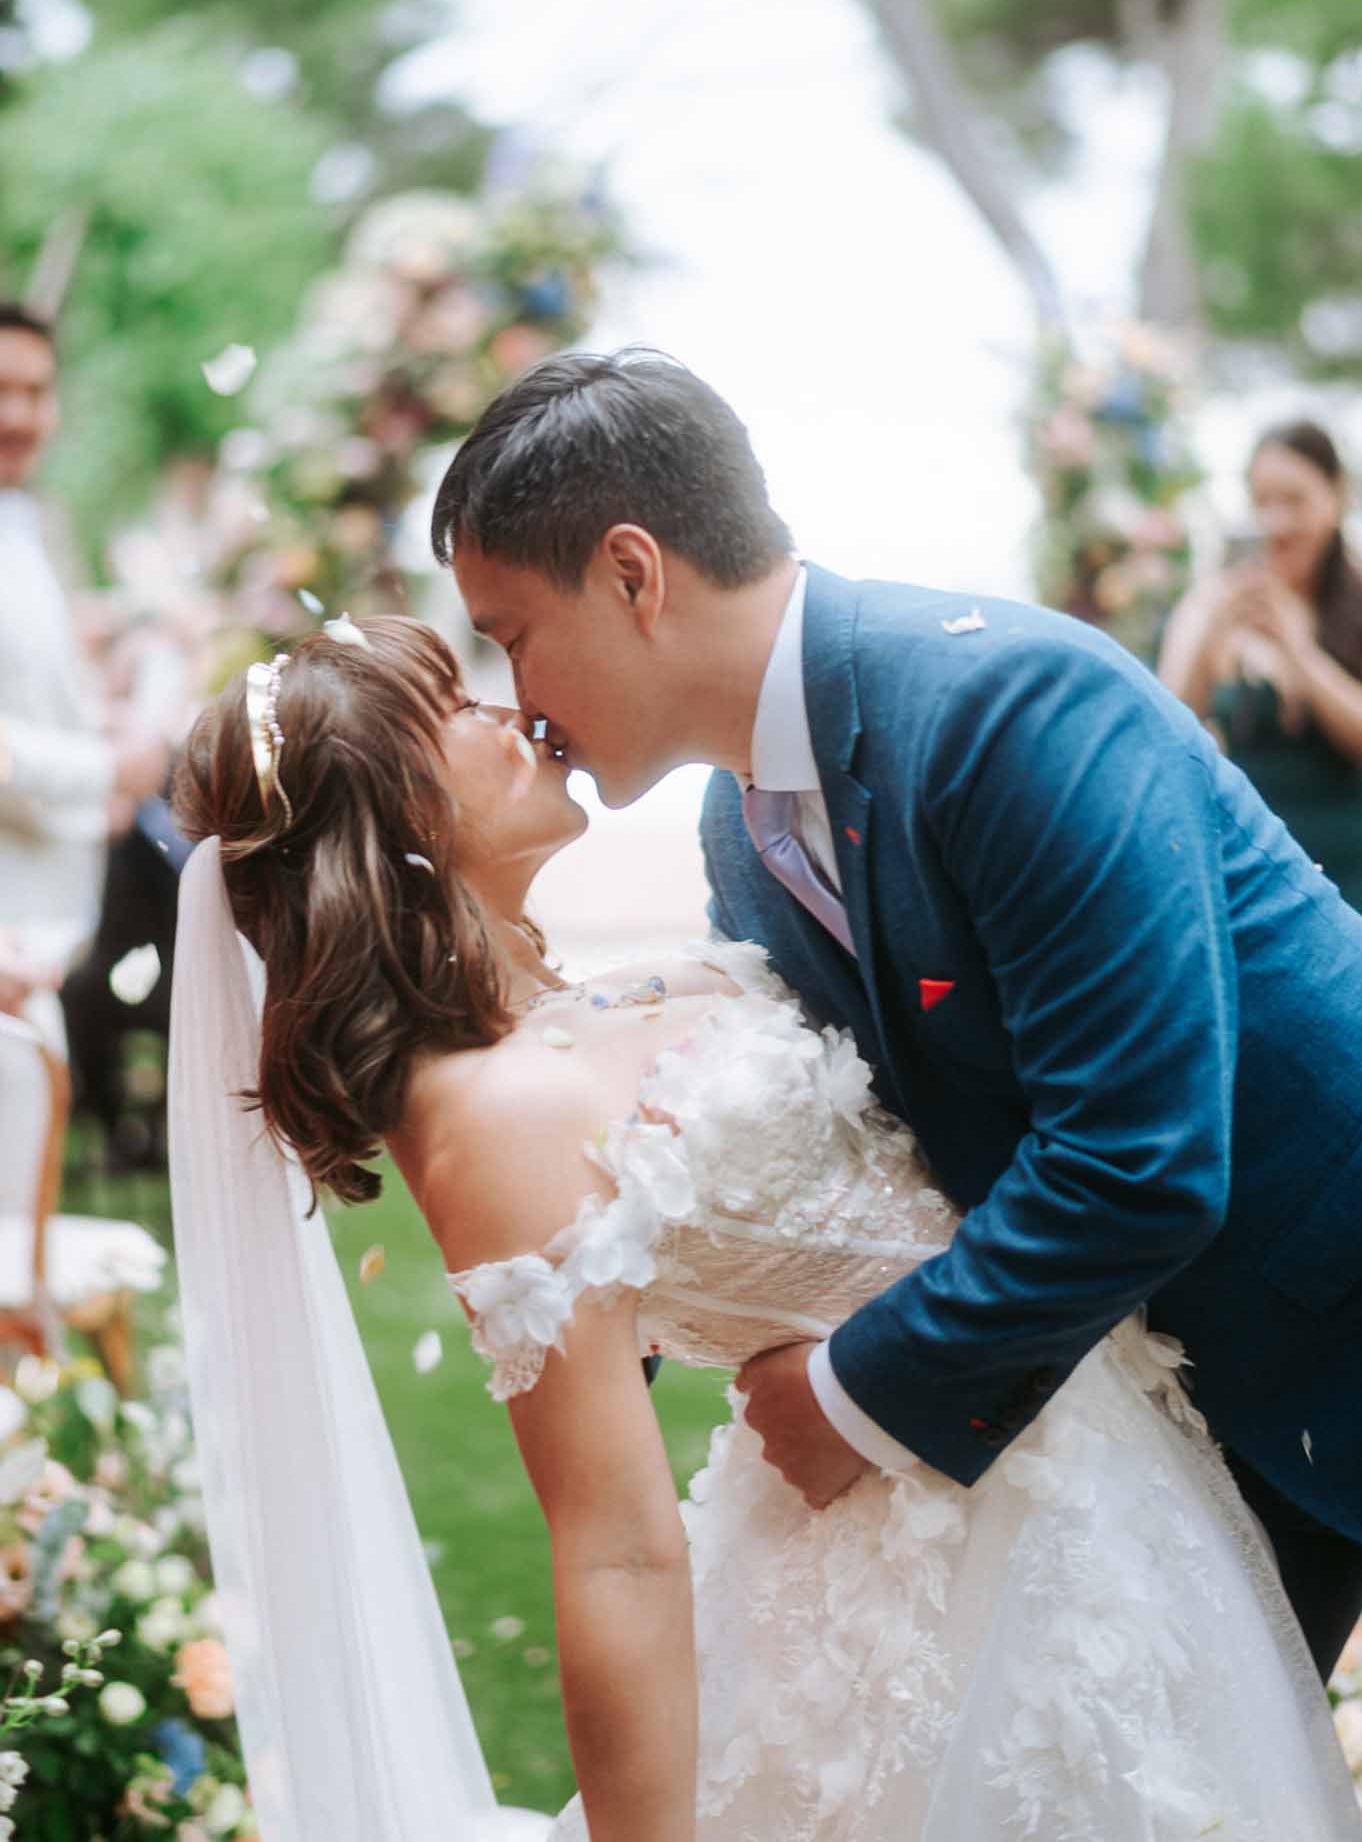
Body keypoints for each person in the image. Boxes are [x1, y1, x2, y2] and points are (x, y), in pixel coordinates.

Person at [169, 615, 1360, 1841]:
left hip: (1081, 1485)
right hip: (941, 1598)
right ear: (394, 816)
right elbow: (614, 1549)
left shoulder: (563, 1008)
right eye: (450, 710)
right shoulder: (488, 1122)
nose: (503, 708)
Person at [432, 349, 1362, 1694]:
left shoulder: (1006, 709)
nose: (516, 696)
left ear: (633, 574)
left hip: (1320, 1314)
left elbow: (1138, 1155)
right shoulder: (738, 831)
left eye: (510, 633)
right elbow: (857, 1136)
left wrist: (856, 1394)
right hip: (1156, 1404)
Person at [0, 302, 167, 1044]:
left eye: (36, 391)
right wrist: (112, 768)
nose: (19, 415)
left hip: (40, 940)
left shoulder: (29, 524)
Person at [1159, 419, 1362, 908]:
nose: (1278, 522)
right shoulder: (1213, 605)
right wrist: (1208, 627)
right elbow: (1167, 732)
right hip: (1256, 884)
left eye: (1294, 500)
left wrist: (1298, 653)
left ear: (1335, 496)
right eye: (1262, 502)